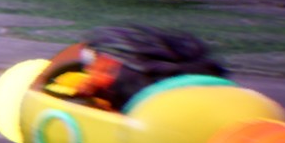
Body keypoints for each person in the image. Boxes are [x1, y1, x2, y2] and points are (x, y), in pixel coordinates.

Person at [64, 25, 226, 111]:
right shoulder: (188, 72)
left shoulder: (134, 83)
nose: (88, 69)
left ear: (109, 63)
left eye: (91, 59)